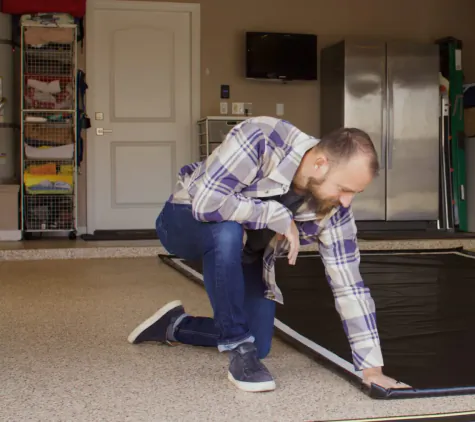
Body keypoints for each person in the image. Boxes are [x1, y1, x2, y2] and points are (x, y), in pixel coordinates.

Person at [127, 116, 408, 393]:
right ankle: (239, 347)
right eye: (344, 189)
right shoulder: (263, 136)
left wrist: (372, 369)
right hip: (183, 221)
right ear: (320, 164)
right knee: (227, 230)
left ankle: (175, 326)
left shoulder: (335, 210)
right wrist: (275, 215)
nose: (347, 201)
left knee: (260, 342)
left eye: (355, 193)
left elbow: (350, 286)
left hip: (246, 251)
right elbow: (207, 203)